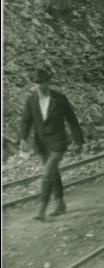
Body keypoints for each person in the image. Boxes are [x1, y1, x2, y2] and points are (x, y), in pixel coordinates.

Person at [17, 69, 84, 220]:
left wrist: (78, 141)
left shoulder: (59, 98)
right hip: (40, 143)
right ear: (34, 84)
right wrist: (22, 139)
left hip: (58, 142)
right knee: (53, 173)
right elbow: (26, 121)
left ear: (49, 81)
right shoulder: (31, 100)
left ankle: (41, 210)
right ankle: (60, 203)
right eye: (37, 83)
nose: (40, 85)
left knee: (48, 172)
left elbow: (72, 120)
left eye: (43, 82)